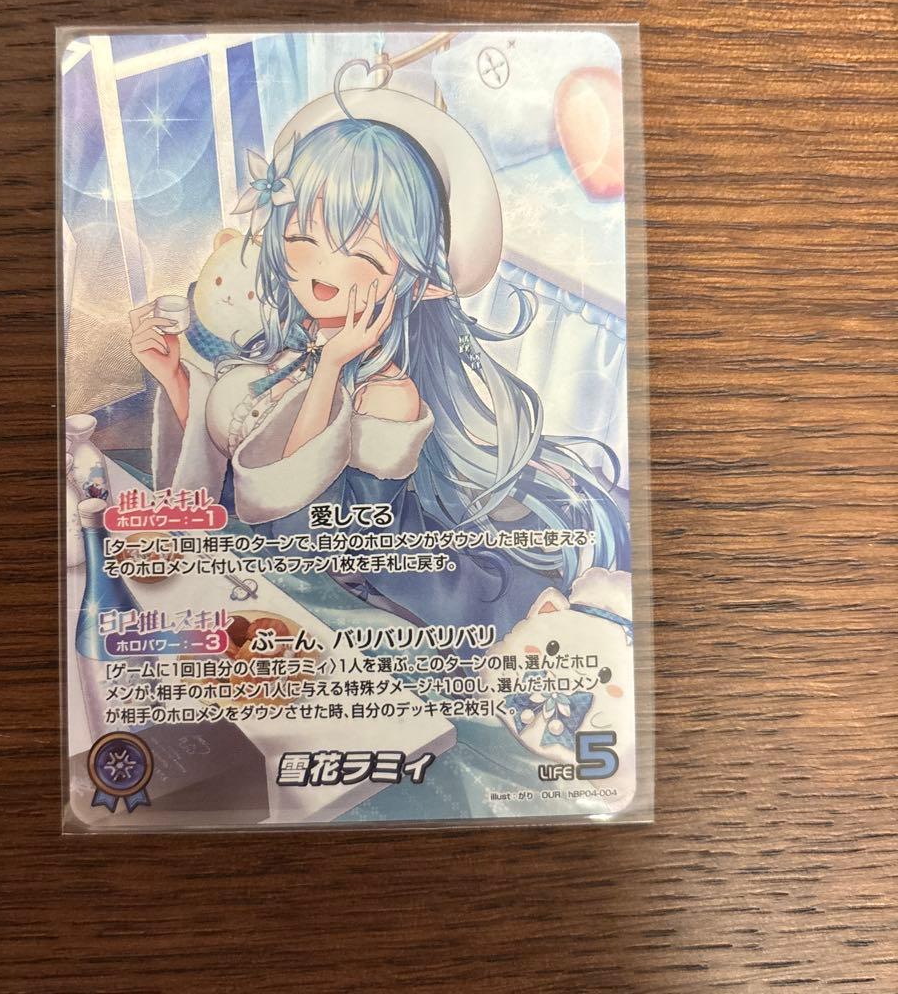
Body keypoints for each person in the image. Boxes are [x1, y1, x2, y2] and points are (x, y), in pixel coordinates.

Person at [130, 69, 629, 631]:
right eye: (302, 239)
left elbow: (308, 528)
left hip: (364, 582)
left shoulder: (388, 394)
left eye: (362, 254)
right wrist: (175, 380)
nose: (323, 272)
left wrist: (333, 367)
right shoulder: (288, 343)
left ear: (417, 281)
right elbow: (232, 464)